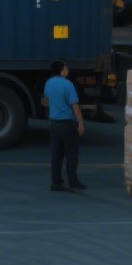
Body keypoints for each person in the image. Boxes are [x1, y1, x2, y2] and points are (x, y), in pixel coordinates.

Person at [42, 60, 86, 192]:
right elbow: (75, 106)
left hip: (54, 123)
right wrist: (80, 123)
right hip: (67, 123)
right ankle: (73, 181)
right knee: (71, 153)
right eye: (65, 67)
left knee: (56, 154)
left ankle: (56, 183)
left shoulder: (48, 83)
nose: (67, 69)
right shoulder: (68, 84)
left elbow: (46, 102)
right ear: (61, 70)